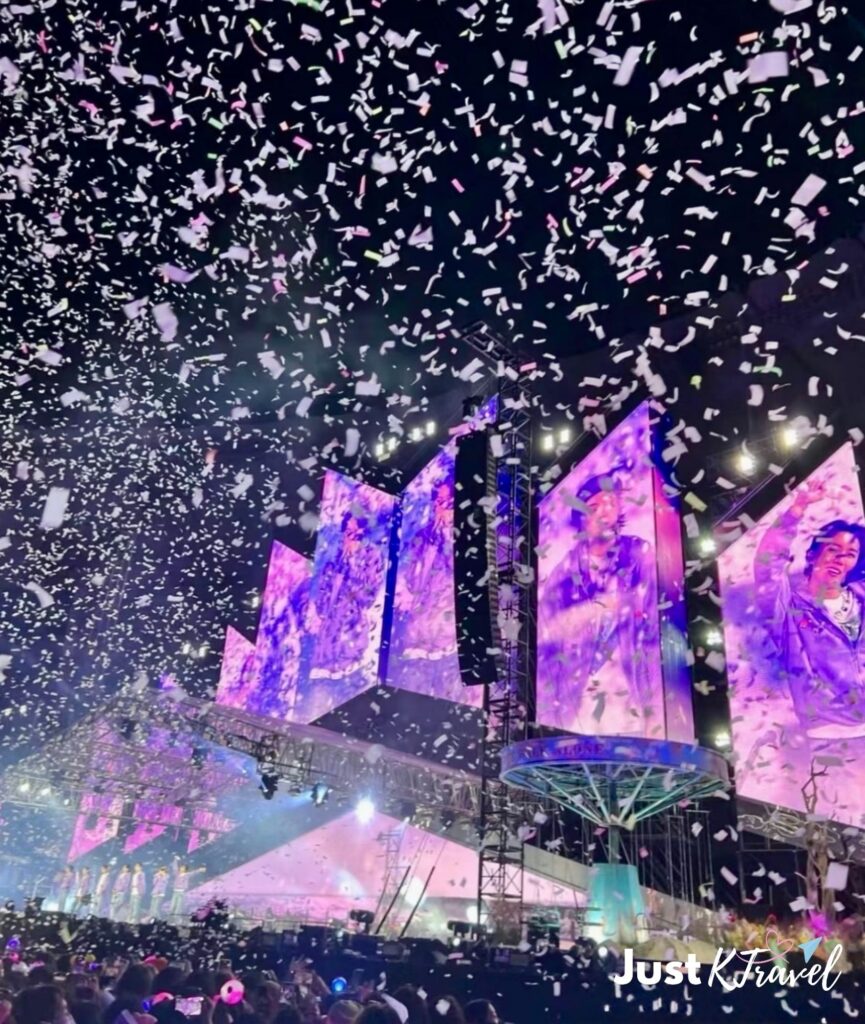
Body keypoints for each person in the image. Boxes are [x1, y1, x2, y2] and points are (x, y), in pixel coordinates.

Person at [538, 469, 658, 737]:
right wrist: (596, 609)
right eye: (594, 507)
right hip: (580, 697)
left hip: (630, 692)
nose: (604, 513)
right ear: (580, 518)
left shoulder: (639, 554)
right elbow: (546, 637)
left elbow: (657, 623)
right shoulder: (564, 573)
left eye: (611, 504)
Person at [755, 477, 865, 737]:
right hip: (830, 732)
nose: (840, 558)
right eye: (833, 549)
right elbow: (766, 565)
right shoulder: (788, 609)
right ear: (814, 553)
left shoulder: (860, 597)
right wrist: (797, 510)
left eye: (850, 553)